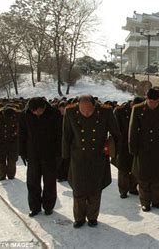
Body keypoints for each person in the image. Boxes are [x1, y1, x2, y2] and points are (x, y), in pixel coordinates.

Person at [62, 95, 122, 228]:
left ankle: (92, 217)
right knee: (78, 189)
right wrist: (65, 156)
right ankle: (79, 218)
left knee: (95, 190)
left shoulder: (106, 112)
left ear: (95, 106)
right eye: (83, 111)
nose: (86, 114)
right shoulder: (71, 112)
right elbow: (66, 135)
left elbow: (116, 134)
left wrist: (113, 150)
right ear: (78, 107)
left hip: (98, 156)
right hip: (78, 157)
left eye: (89, 111)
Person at [19, 97, 62, 217]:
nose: (37, 113)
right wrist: (22, 152)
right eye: (34, 111)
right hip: (32, 154)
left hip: (50, 154)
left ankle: (48, 206)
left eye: (39, 111)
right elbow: (22, 134)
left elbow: (59, 134)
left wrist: (59, 153)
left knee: (49, 183)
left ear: (44, 107)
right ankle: (35, 207)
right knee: (32, 182)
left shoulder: (54, 113)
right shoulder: (25, 115)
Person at [129, 88, 159, 212]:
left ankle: (157, 200)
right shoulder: (138, 109)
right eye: (151, 101)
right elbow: (133, 130)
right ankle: (145, 202)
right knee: (143, 177)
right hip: (143, 148)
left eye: (156, 101)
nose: (153, 104)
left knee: (158, 176)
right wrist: (133, 149)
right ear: (147, 98)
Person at [113, 96, 144, 198]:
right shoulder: (119, 111)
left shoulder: (142, 110)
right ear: (132, 104)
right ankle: (123, 190)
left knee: (135, 167)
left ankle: (133, 187)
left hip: (137, 143)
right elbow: (115, 129)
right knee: (123, 169)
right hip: (123, 144)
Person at [0, 104, 21, 180]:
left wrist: (17, 134)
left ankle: (11, 175)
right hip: (0, 140)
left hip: (13, 140)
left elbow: (21, 127)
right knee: (0, 159)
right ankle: (1, 176)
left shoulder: (18, 115)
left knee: (12, 159)